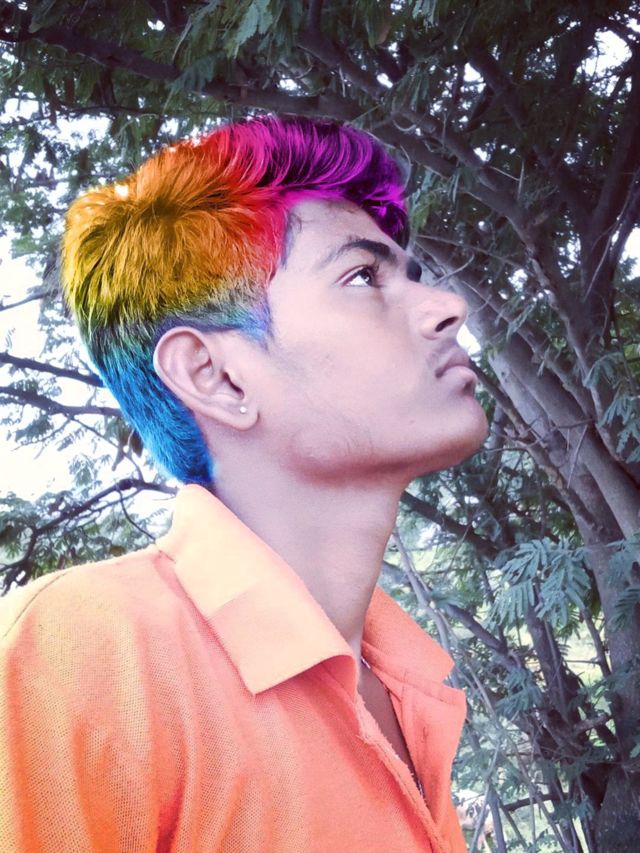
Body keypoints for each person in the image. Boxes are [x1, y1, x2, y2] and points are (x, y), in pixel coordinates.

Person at [0, 115, 488, 852]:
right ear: (215, 376)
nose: (447, 306)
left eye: (408, 275)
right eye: (362, 277)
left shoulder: (407, 681)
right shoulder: (81, 657)